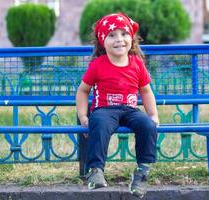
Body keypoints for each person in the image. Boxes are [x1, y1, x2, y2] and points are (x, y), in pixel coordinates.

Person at [75, 13, 159, 198]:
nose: (119, 39)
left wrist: (153, 115)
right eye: (112, 35)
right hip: (104, 110)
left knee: (147, 126)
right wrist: (83, 116)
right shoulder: (98, 64)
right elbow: (82, 91)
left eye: (124, 34)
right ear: (103, 41)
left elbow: (146, 91)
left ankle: (142, 172)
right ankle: (95, 170)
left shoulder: (136, 63)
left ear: (132, 38)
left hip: (130, 110)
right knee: (99, 124)